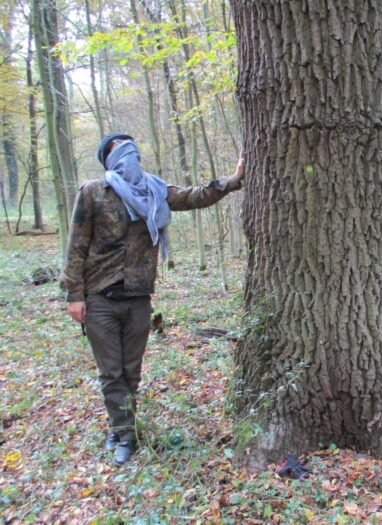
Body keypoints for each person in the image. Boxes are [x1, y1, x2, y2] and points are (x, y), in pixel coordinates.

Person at [61, 133, 245, 465]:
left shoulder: (154, 190)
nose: (128, 151)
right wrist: (74, 295)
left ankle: (120, 427)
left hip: (138, 298)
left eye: (131, 144)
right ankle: (125, 435)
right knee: (111, 372)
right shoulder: (92, 192)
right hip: (100, 297)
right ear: (108, 158)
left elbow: (194, 196)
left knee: (131, 371)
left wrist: (232, 180)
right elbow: (76, 247)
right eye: (118, 147)